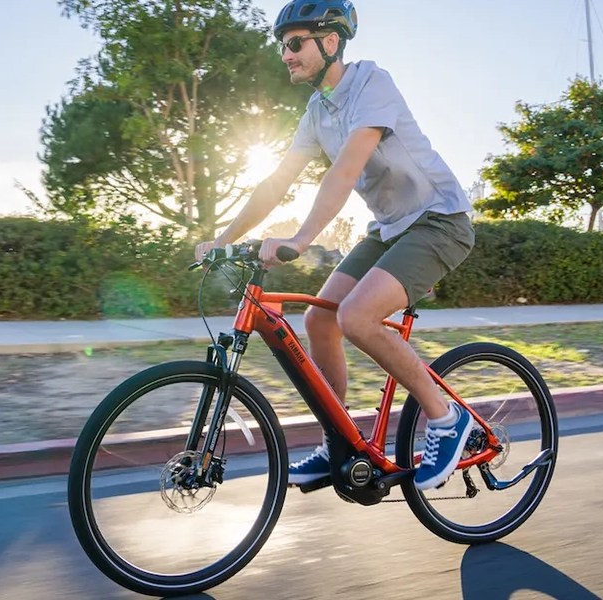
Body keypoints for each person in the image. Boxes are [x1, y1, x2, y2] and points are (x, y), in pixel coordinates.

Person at [194, 0, 477, 491]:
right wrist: (222, 240)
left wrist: (302, 239)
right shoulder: (317, 110)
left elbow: (346, 169)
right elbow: (277, 181)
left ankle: (448, 420)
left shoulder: (371, 83)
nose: (286, 54)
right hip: (391, 229)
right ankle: (340, 441)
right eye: (282, 45)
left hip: (439, 222)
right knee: (320, 318)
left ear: (330, 42)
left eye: (295, 43)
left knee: (357, 317)